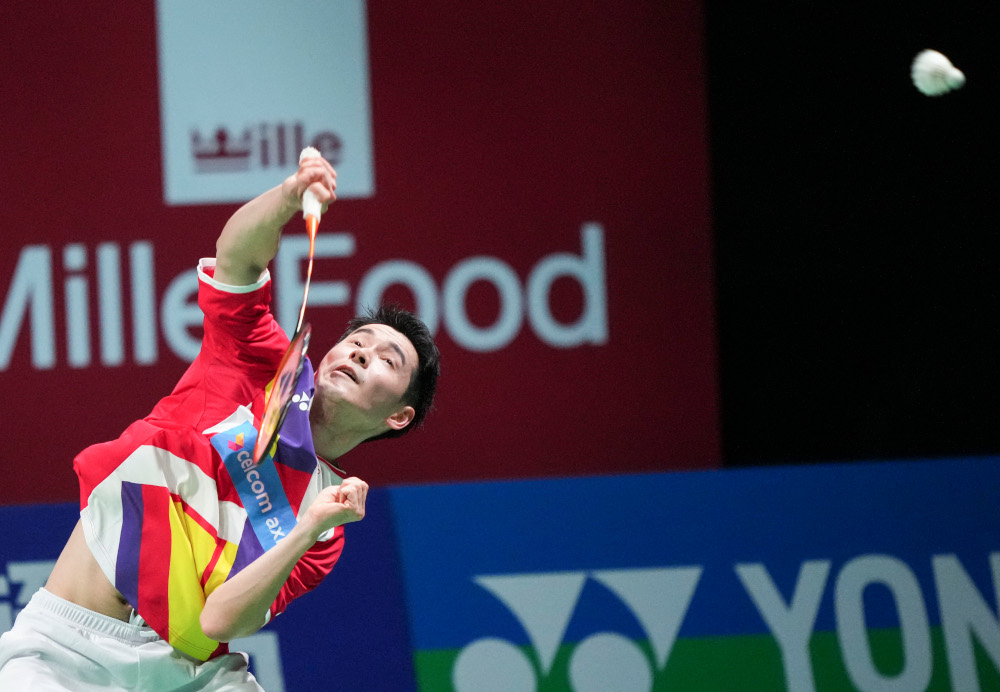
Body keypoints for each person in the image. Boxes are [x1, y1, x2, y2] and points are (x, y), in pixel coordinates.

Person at [0, 154, 440, 691]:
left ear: (398, 415)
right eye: (356, 342)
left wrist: (305, 529)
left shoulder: (325, 522)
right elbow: (236, 261)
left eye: (387, 361)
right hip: (66, 651)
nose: (361, 354)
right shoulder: (259, 361)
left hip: (191, 676)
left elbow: (219, 621)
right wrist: (287, 196)